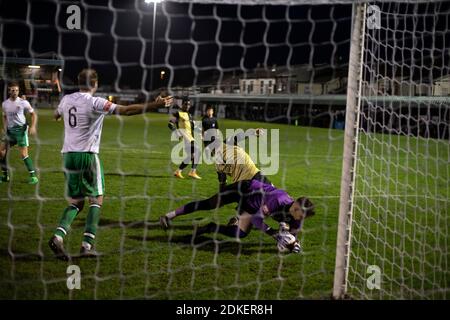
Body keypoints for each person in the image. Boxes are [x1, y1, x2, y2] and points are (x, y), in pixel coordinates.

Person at [48, 68, 173, 260]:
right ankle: (86, 246)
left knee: (76, 202)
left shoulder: (66, 99)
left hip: (67, 156)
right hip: (87, 156)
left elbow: (55, 115)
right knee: (96, 199)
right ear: (95, 84)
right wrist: (155, 104)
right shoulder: (95, 102)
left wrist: (62, 118)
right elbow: (127, 111)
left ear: (78, 82)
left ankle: (58, 237)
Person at [159, 178, 315, 253]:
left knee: (239, 234)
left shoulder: (298, 216)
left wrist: (293, 244)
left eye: (302, 218)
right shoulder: (279, 200)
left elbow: (293, 234)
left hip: (251, 206)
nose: (300, 220)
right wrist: (273, 233)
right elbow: (257, 219)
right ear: (295, 207)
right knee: (209, 204)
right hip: (243, 189)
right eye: (300, 215)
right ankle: (169, 215)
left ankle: (210, 227)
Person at [0, 82, 38, 184]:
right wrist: (4, 128)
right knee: (1, 152)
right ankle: (5, 176)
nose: (15, 92)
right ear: (9, 91)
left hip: (21, 130)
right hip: (10, 132)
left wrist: (33, 126)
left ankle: (33, 177)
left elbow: (33, 114)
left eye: (16, 90)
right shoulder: (5, 104)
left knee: (23, 154)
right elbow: (4, 116)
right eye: (13, 90)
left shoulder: (23, 102)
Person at [168, 96, 202, 179]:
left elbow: (193, 126)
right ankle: (192, 172)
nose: (187, 106)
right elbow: (170, 124)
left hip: (191, 138)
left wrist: (200, 133)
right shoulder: (178, 113)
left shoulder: (189, 115)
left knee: (191, 156)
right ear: (182, 104)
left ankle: (178, 171)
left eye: (189, 104)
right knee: (197, 151)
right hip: (186, 138)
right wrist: (176, 132)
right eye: (186, 104)